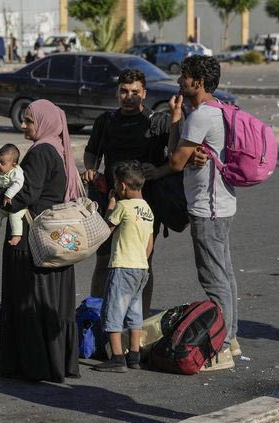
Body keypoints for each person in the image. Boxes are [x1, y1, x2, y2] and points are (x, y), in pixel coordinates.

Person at [0, 99, 82, 383]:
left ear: (44, 123)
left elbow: (25, 195)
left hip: (29, 241)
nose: (24, 125)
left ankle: (34, 365)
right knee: (52, 302)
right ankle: (57, 362)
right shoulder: (58, 149)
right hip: (53, 240)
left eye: (29, 121)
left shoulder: (39, 153)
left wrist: (1, 198)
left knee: (27, 300)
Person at [168, 55, 239, 370]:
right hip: (222, 204)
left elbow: (174, 162)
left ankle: (220, 347)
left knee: (214, 279)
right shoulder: (219, 110)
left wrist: (176, 124)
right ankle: (232, 338)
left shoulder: (200, 117)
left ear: (197, 81)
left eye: (184, 76)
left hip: (207, 208)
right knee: (224, 274)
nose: (180, 81)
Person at [81, 69, 171, 319]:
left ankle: (136, 324)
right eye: (124, 91)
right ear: (117, 92)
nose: (128, 97)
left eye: (134, 92)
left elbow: (177, 158)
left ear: (144, 94)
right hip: (109, 202)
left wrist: (160, 170)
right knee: (104, 261)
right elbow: (91, 153)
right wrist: (90, 169)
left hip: (145, 205)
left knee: (143, 264)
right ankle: (96, 319)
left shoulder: (157, 122)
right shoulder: (105, 121)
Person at [94, 161, 154, 373]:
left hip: (122, 266)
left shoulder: (123, 206)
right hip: (141, 268)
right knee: (134, 313)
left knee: (113, 311)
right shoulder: (147, 209)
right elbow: (149, 243)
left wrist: (111, 203)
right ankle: (134, 355)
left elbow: (105, 229)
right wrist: (142, 261)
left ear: (123, 187)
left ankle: (118, 358)